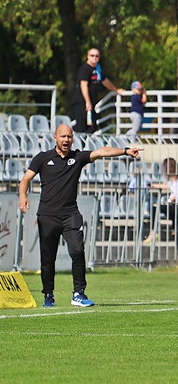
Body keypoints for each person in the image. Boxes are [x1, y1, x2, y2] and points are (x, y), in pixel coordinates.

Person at [18, 124, 143, 307]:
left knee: (77, 251)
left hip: (70, 214)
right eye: (63, 136)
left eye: (69, 136)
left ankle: (79, 293)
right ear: (55, 138)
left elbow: (101, 152)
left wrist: (125, 151)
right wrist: (23, 196)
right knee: (47, 259)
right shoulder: (43, 158)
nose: (66, 140)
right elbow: (25, 179)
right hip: (47, 216)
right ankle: (48, 296)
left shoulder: (78, 157)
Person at [145, 158, 178, 268]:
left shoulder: (176, 179)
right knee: (176, 231)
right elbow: (166, 186)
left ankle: (153, 233)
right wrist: (153, 185)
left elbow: (177, 194)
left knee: (154, 208)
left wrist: (168, 202)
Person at [71, 47, 126, 133]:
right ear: (87, 56)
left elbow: (104, 81)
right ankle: (78, 145)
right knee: (81, 127)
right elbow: (83, 85)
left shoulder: (97, 69)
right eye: (92, 55)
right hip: (81, 102)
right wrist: (87, 102)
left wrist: (116, 90)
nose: (94, 58)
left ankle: (86, 145)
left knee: (92, 127)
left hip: (91, 103)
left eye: (97, 56)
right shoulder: (85, 69)